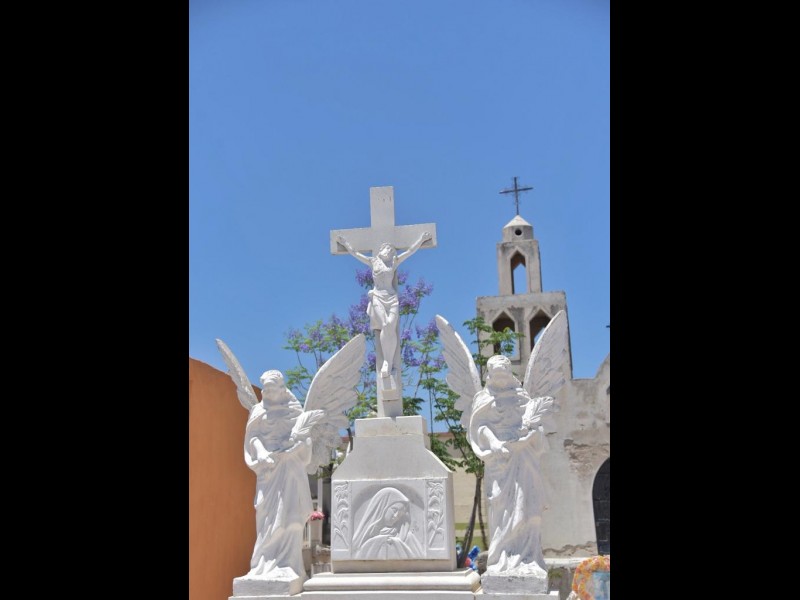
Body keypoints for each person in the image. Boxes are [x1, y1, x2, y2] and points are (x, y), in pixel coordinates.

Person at [468, 355, 548, 575]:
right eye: (497, 376)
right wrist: (494, 443)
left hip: (524, 458)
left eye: (504, 375)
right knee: (502, 510)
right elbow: (478, 426)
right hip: (499, 460)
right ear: (490, 376)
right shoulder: (484, 398)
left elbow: (536, 424)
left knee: (529, 507)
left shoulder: (522, 396)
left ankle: (529, 558)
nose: (502, 380)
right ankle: (502, 557)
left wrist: (530, 434)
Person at [243, 370, 313, 581]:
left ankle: (289, 565)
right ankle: (263, 564)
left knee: (291, 517)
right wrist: (261, 453)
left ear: (282, 389)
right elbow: (252, 437)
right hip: (268, 470)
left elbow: (305, 440)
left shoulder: (295, 411)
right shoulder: (258, 410)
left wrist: (294, 448)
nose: (267, 393)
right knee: (265, 516)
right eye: (265, 389)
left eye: (271, 389)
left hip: (290, 469)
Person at [336, 231, 431, 379]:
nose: (390, 251)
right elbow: (354, 253)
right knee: (385, 325)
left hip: (392, 298)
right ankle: (386, 362)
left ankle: (390, 360)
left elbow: (410, 251)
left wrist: (421, 239)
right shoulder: (373, 261)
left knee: (390, 327)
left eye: (392, 250)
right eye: (387, 248)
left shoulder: (394, 262)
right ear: (381, 250)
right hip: (378, 297)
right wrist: (345, 243)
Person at [352, 487, 423, 559]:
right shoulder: (366, 536)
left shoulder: (408, 537)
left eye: (400, 514)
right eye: (394, 510)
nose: (396, 516)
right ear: (383, 507)